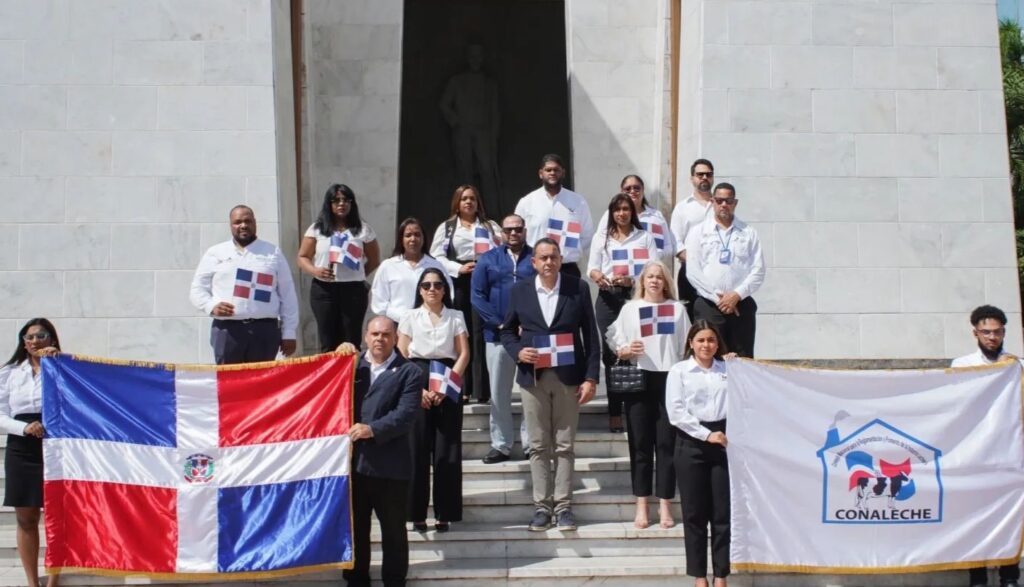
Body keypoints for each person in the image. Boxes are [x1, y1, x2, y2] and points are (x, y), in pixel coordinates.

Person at [500, 238, 600, 531]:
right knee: (538, 444)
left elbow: (590, 337)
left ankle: (564, 506)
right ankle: (542, 507)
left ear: (560, 259)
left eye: (553, 257)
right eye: (542, 258)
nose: (548, 262)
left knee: (565, 444)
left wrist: (591, 377)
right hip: (534, 378)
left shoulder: (577, 287)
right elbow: (506, 330)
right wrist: (518, 350)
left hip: (569, 376)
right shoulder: (520, 290)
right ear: (533, 262)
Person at [606, 261, 690, 529]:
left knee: (666, 445)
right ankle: (641, 503)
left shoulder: (677, 310)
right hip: (639, 379)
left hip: (669, 379)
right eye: (650, 276)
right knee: (640, 445)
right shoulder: (630, 309)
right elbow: (613, 337)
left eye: (659, 277)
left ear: (666, 282)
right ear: (643, 281)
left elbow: (686, 344)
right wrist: (624, 348)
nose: (654, 281)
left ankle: (665, 503)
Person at [339, 316, 421, 587]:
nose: (379, 339)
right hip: (354, 468)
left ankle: (395, 581)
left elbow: (405, 415)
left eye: (386, 334)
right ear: (365, 336)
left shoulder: (410, 372)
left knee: (394, 532)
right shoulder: (351, 367)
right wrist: (337, 355)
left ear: (395, 338)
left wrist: (372, 429)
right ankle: (356, 579)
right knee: (357, 530)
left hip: (391, 468)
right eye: (374, 334)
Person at [951, 305, 1021, 587]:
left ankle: (1010, 576)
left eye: (997, 332)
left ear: (1004, 332)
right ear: (975, 333)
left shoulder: (1017, 366)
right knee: (974, 515)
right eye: (986, 332)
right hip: (975, 453)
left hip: (1009, 453)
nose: (992, 337)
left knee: (1011, 514)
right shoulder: (962, 365)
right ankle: (977, 576)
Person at [397, 268, 470, 533]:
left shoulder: (456, 316)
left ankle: (445, 512)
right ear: (419, 289)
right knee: (416, 448)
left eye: (438, 285)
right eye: (426, 285)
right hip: (416, 375)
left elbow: (464, 353)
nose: (432, 289)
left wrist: (447, 384)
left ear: (444, 289)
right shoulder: (410, 316)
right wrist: (418, 389)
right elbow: (401, 353)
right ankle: (415, 512)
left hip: (447, 376)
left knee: (446, 448)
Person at [189, 205, 299, 364]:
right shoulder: (216, 252)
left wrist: (289, 332)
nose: (243, 225)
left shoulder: (272, 252)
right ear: (230, 225)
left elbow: (287, 295)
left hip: (264, 331)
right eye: (237, 222)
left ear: (255, 223)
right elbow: (197, 289)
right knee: (228, 384)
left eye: (247, 221)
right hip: (227, 330)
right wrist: (211, 305)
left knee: (261, 384)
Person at [666, 321, 731, 587]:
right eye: (701, 340)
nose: (707, 345)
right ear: (691, 343)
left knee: (721, 513)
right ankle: (699, 575)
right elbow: (676, 411)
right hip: (691, 441)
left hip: (724, 440)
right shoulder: (679, 371)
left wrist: (739, 365)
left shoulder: (728, 370)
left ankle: (721, 575)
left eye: (712, 340)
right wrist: (705, 434)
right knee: (694, 513)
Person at [587, 193, 659, 432]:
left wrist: (632, 280)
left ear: (633, 212)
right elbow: (592, 268)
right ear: (611, 213)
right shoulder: (603, 238)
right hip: (608, 298)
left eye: (626, 209)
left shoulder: (644, 237)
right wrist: (598, 276)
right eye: (617, 209)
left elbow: (654, 269)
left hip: (635, 297)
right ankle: (615, 412)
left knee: (638, 349)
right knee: (612, 355)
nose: (621, 214)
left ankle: (639, 409)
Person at [0, 319, 61, 587]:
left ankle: (55, 580)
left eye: (41, 335)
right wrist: (24, 427)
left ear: (51, 339)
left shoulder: (64, 368)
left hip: (56, 446)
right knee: (26, 518)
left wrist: (60, 365)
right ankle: (32, 582)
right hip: (21, 447)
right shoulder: (10, 373)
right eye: (28, 337)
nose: (34, 341)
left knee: (57, 517)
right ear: (23, 343)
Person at [470, 213, 535, 463]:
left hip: (528, 336)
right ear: (502, 234)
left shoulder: (535, 258)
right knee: (499, 392)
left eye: (518, 229)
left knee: (531, 390)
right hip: (497, 336)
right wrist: (500, 324)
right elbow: (477, 297)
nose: (513, 234)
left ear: (524, 230)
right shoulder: (488, 260)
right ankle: (501, 444)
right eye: (508, 230)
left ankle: (532, 444)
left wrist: (529, 325)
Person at [429, 184, 501, 403]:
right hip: (460, 281)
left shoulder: (490, 226)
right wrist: (457, 268)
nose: (469, 202)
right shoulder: (448, 227)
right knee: (462, 332)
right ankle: (463, 387)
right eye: (464, 199)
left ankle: (482, 390)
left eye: (472, 198)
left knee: (481, 332)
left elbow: (501, 249)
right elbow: (436, 256)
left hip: (484, 280)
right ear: (457, 203)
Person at [297, 184, 381, 351]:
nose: (341, 204)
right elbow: (302, 257)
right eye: (336, 200)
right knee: (328, 341)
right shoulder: (317, 228)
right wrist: (315, 270)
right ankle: (330, 376)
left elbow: (374, 259)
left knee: (351, 341)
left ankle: (352, 376)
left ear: (352, 203)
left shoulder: (362, 229)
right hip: (324, 290)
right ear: (329, 204)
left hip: (353, 290)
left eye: (346, 200)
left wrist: (358, 274)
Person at [685, 183, 765, 358]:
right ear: (712, 201)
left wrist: (736, 295)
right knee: (710, 357)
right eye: (719, 200)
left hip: (741, 305)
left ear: (735, 203)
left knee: (742, 360)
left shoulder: (748, 232)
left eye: (728, 201)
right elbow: (692, 271)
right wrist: (718, 298)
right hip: (709, 304)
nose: (723, 205)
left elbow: (758, 270)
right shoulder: (698, 232)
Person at [439, 44, 502, 215]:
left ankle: (493, 215)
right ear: (467, 58)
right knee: (464, 174)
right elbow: (445, 105)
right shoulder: (457, 81)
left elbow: (495, 112)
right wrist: (456, 123)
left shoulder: (490, 84)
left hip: (483, 134)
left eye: (479, 56)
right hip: (463, 133)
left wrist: (493, 135)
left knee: (488, 174)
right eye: (472, 56)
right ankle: (462, 214)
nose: (476, 60)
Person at [514, 154, 595, 277]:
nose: (552, 173)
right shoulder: (527, 202)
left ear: (563, 173)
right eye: (548, 170)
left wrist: (570, 254)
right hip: (535, 270)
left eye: (556, 170)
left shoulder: (578, 202)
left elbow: (587, 237)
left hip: (567, 269)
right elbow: (517, 235)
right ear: (541, 173)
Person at [370, 217, 452, 325]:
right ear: (401, 239)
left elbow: (449, 294)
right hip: (396, 325)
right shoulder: (388, 266)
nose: (413, 239)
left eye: (417, 234)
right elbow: (379, 302)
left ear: (423, 238)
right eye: (408, 235)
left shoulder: (436, 265)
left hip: (430, 324)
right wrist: (403, 317)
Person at [592, 175, 676, 264]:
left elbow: (668, 246)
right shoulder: (610, 214)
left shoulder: (656, 216)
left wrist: (653, 255)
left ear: (643, 189)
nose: (632, 191)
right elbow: (600, 242)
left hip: (651, 271)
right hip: (622, 270)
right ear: (622, 191)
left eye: (636, 188)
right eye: (628, 189)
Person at [670, 159, 715, 320]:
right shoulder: (683, 207)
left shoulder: (720, 206)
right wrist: (694, 261)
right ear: (692, 178)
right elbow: (675, 242)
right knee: (690, 320)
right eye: (700, 174)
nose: (704, 177)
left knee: (714, 322)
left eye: (708, 174)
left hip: (715, 272)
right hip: (689, 272)